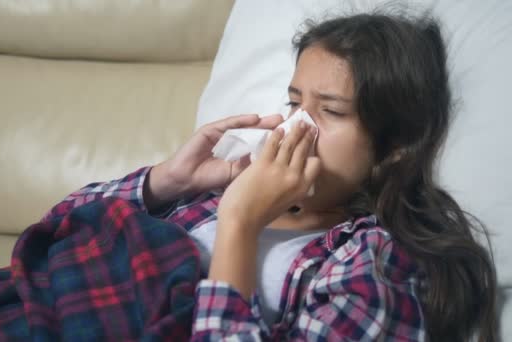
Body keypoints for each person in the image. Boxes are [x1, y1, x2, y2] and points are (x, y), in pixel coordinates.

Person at [47, 12, 497, 341]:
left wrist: (240, 224)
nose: (296, 127)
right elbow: (55, 234)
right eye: (295, 103)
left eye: (331, 111)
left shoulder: (376, 263)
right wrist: (169, 182)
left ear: (395, 144)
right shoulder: (217, 192)